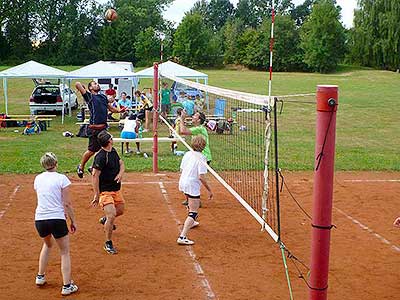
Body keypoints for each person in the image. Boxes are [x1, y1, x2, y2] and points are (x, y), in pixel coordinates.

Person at [34, 152, 78, 296]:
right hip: (57, 219)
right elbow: (66, 203)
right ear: (56, 163)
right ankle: (67, 285)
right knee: (64, 252)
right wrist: (73, 220)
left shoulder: (38, 179)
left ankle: (40, 277)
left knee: (47, 244)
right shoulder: (61, 179)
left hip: (40, 219)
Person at [75, 81, 122, 178]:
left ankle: (93, 167)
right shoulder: (89, 97)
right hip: (94, 128)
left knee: (105, 148)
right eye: (94, 84)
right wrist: (82, 89)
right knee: (92, 150)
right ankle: (81, 166)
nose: (97, 85)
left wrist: (119, 110)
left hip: (103, 128)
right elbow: (77, 84)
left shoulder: (103, 97)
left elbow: (111, 108)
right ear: (90, 88)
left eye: (97, 83)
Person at [91, 130, 125, 254]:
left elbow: (121, 163)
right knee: (112, 215)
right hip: (105, 192)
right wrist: (97, 194)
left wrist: (120, 174)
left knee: (120, 211)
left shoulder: (113, 151)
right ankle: (108, 243)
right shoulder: (100, 156)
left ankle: (106, 220)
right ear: (109, 141)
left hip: (116, 189)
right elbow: (95, 176)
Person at [177, 135, 213, 245]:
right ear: (203, 146)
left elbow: (181, 169)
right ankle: (182, 237)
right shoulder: (202, 158)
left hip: (183, 182)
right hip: (192, 185)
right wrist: (209, 190)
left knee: (191, 203)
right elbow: (201, 177)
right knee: (193, 211)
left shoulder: (187, 154)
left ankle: (191, 223)